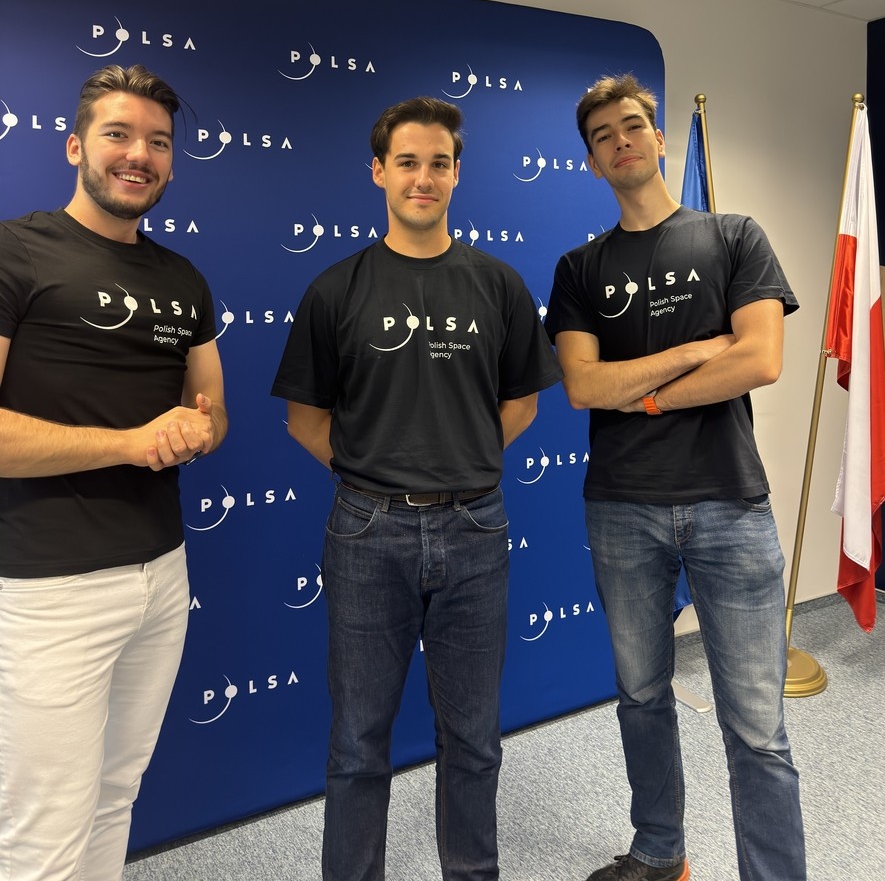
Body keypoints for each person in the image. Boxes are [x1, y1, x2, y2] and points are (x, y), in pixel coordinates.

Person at [272, 96, 561, 881]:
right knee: (358, 743)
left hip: (477, 531)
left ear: (458, 173)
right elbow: (305, 419)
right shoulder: (337, 288)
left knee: (473, 739)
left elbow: (523, 403)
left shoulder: (498, 284)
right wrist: (380, 472)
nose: (423, 178)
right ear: (379, 172)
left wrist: (454, 458)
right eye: (407, 162)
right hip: (367, 534)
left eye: (439, 163)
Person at [545, 74, 805, 881]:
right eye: (602, 136)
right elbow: (583, 385)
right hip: (622, 510)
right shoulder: (580, 268)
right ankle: (660, 854)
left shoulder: (734, 237)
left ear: (659, 139)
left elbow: (758, 358)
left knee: (757, 725)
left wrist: (648, 396)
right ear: (591, 162)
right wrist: (695, 351)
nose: (620, 140)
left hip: (731, 504)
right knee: (641, 697)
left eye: (632, 126)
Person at [0, 63, 228, 881]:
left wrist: (193, 433)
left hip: (160, 574)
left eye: (159, 142)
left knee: (113, 795)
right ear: (74, 146)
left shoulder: (182, 277)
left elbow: (214, 415)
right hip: (47, 587)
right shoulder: (14, 251)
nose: (140, 155)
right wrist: (133, 443)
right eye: (119, 135)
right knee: (43, 830)